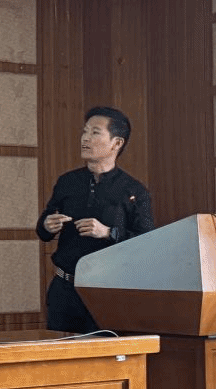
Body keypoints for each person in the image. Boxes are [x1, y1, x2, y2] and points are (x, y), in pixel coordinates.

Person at [35, 106, 155, 333]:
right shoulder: (67, 182)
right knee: (59, 352)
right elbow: (42, 231)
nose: (85, 138)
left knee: (101, 352)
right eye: (85, 131)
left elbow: (148, 242)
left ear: (116, 143)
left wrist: (108, 232)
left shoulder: (134, 190)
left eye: (95, 132)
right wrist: (47, 225)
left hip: (108, 292)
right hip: (64, 289)